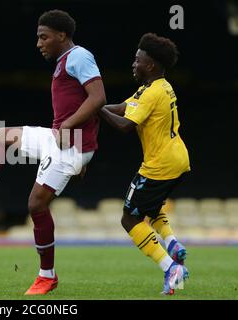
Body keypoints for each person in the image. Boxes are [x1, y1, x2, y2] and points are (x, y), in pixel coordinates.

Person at [0, 9, 106, 295]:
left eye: (44, 37)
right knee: (0, 137)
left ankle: (46, 276)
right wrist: (86, 142)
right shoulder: (66, 61)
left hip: (69, 144)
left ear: (62, 35)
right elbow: (92, 109)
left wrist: (79, 141)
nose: (39, 43)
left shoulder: (79, 57)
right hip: (63, 139)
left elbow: (99, 98)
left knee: (35, 205)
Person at [99, 33, 190, 295]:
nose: (133, 64)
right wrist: (97, 106)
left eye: (137, 60)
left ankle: (170, 267)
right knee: (151, 207)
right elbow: (122, 108)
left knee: (129, 219)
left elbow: (125, 125)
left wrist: (95, 109)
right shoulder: (159, 86)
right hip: (179, 161)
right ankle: (172, 243)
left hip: (159, 165)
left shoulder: (151, 93)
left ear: (150, 64)